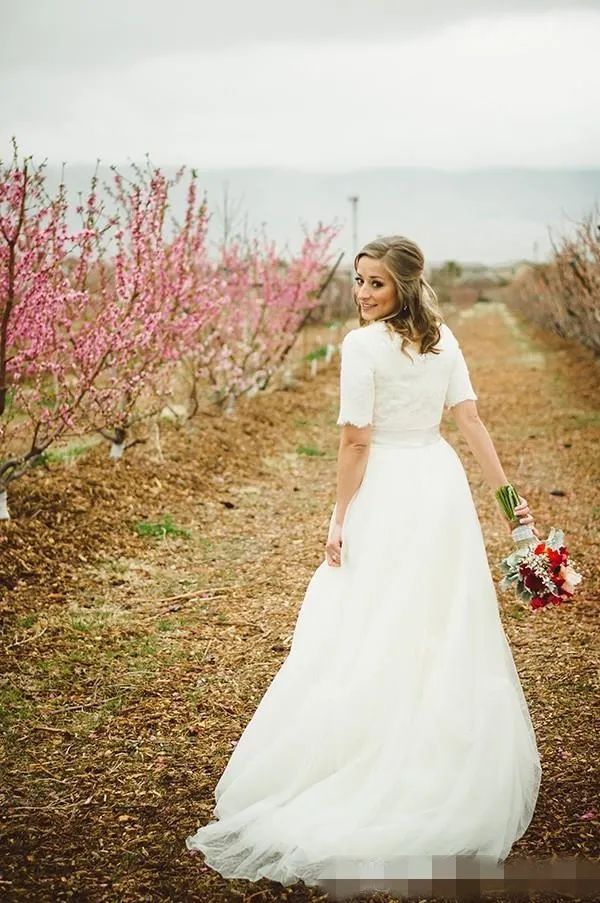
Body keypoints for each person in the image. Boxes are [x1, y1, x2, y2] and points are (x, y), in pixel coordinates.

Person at [185, 235, 542, 892]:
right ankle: (420, 745)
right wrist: (508, 506)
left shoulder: (362, 347)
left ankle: (381, 754)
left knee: (376, 616)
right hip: (437, 483)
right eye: (358, 280)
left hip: (393, 492)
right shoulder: (442, 340)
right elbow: (467, 422)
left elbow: (356, 439)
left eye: (375, 282)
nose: (362, 293)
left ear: (404, 285)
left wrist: (341, 516)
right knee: (427, 616)